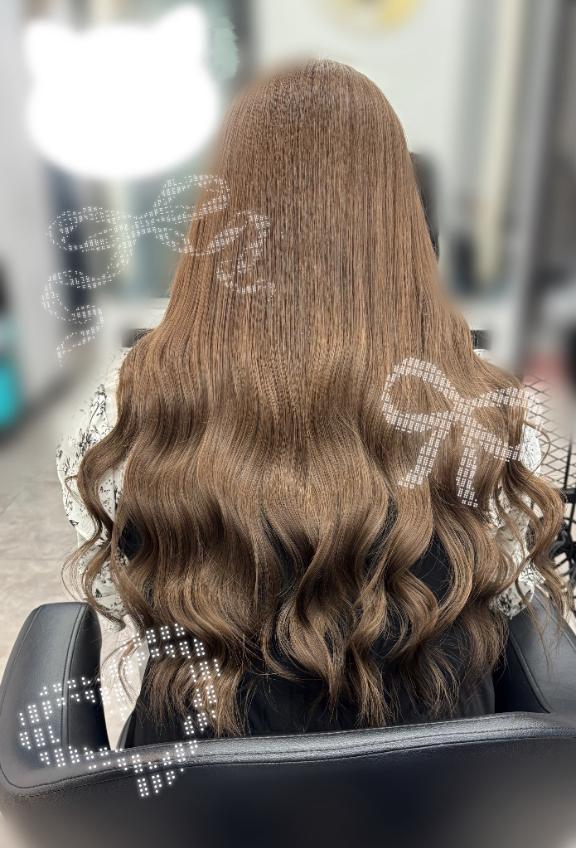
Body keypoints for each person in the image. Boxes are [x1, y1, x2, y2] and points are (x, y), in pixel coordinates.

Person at [57, 60, 566, 746]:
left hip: (206, 773)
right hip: (437, 774)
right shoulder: (484, 408)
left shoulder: (123, 405)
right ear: (400, 218)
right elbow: (508, 599)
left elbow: (124, 601)